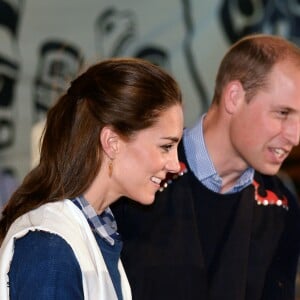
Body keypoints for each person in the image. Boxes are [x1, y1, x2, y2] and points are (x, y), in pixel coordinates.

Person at [111, 34, 300, 300]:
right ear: (234, 97)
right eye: (283, 113)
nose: (295, 136)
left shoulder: (281, 208)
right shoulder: (139, 179)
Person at [0, 57, 184, 300]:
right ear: (112, 142)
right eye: (166, 146)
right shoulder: (49, 248)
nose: (174, 164)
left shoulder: (96, 232)